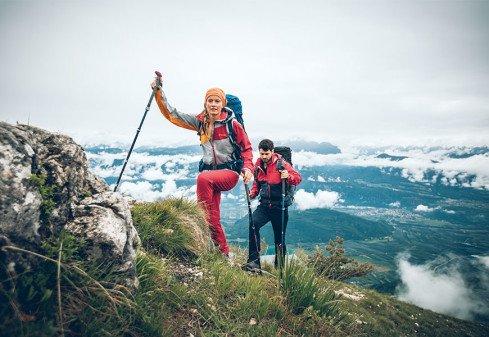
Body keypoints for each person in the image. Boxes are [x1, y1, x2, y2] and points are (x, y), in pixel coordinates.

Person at [151, 78, 253, 257]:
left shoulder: (232, 124)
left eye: (217, 101)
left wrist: (248, 168)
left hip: (228, 173)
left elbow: (246, 148)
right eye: (210, 100)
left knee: (202, 179)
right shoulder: (200, 122)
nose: (213, 104)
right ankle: (223, 253)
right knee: (212, 216)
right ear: (205, 103)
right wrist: (159, 92)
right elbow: (172, 115)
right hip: (210, 173)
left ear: (223, 104)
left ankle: (198, 220)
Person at [243, 139, 301, 271]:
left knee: (279, 238)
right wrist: (253, 193)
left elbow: (298, 178)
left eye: (266, 154)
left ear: (272, 152)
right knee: (253, 225)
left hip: (279, 207)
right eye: (262, 154)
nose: (264, 157)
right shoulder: (258, 164)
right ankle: (254, 262)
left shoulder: (282, 164)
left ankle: (279, 268)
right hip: (264, 206)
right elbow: (257, 183)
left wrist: (288, 176)